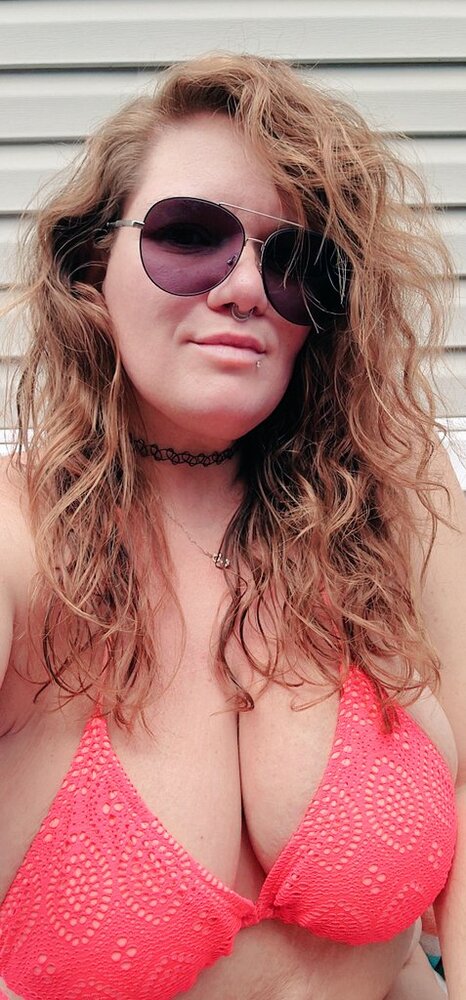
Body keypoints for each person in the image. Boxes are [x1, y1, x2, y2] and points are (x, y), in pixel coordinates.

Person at [0, 51, 464, 1000]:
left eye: (295, 262)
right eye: (189, 235)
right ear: (91, 265)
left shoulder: (396, 497)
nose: (247, 287)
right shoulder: (19, 539)